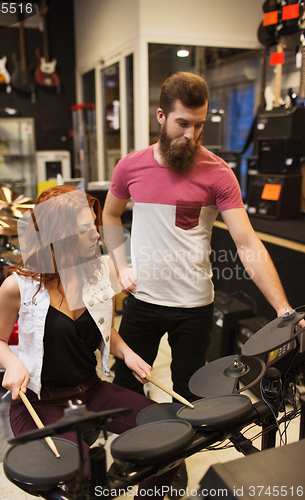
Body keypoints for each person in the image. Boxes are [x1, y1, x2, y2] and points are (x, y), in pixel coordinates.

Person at [102, 71, 304, 402]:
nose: (190, 134)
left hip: (194, 306)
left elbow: (247, 242)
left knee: (191, 395)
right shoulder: (129, 167)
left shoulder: (219, 173)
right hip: (143, 300)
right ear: (161, 116)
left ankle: (175, 456)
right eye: (182, 123)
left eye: (198, 125)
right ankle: (139, 454)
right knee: (127, 387)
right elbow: (110, 214)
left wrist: (283, 309)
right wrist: (121, 265)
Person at [0, 185, 180, 499]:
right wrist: (12, 362)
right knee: (87, 473)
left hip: (91, 391)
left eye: (94, 224)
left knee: (171, 435)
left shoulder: (96, 272)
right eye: (85, 228)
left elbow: (103, 329)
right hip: (39, 402)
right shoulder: (18, 286)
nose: (97, 234)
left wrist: (127, 354)